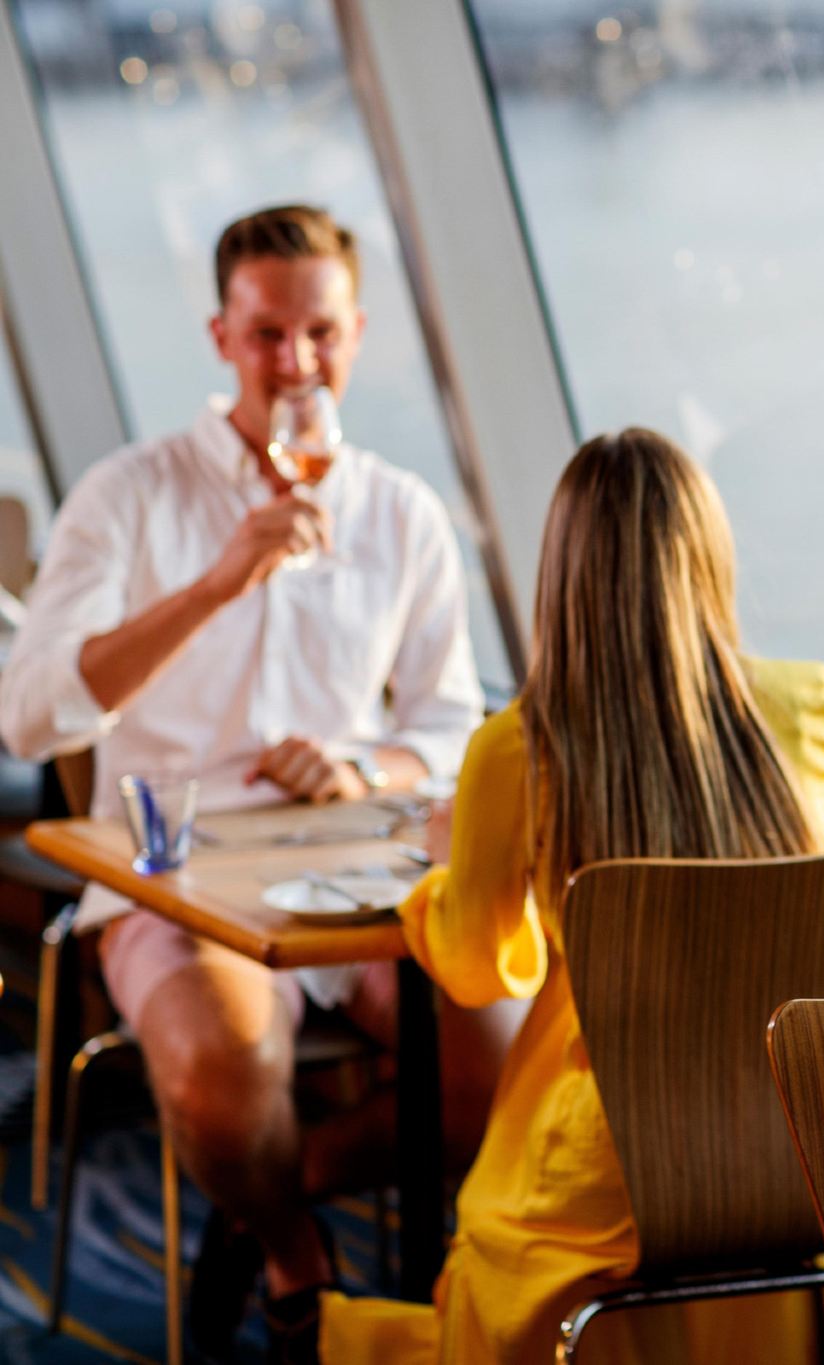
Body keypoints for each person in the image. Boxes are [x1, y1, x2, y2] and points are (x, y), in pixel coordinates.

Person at [0, 205, 491, 1355]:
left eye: (320, 333)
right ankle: (294, 1262)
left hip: (357, 882)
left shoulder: (403, 514)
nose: (296, 363)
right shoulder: (129, 495)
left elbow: (451, 726)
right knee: (224, 1074)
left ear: (357, 334)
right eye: (267, 334)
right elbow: (28, 717)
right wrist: (217, 585)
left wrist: (363, 762)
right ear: (221, 337)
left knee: (504, 1064)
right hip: (174, 878)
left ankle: (268, 1189)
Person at [320, 427, 824, 1362]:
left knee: (492, 1213)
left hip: (612, 1166)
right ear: (711, 554)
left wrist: (439, 873)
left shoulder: (517, 747)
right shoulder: (822, 704)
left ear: (562, 572)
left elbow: (480, 971)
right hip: (792, 1150)